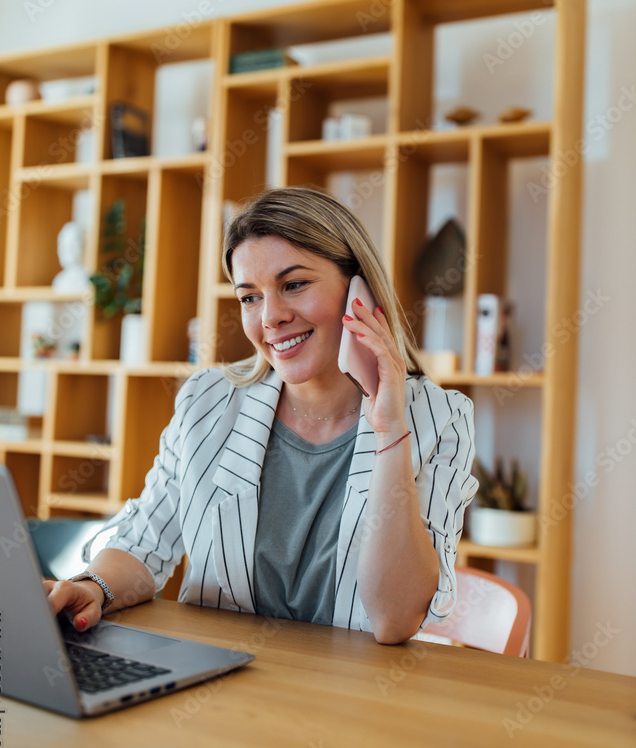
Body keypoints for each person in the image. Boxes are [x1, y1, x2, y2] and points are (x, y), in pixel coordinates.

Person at [46, 187, 478, 644]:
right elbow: (144, 540)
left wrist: (390, 432)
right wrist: (93, 588)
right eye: (249, 297)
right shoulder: (208, 401)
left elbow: (394, 619)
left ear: (360, 290)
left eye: (293, 285)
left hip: (357, 699)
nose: (270, 317)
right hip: (221, 685)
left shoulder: (439, 419)